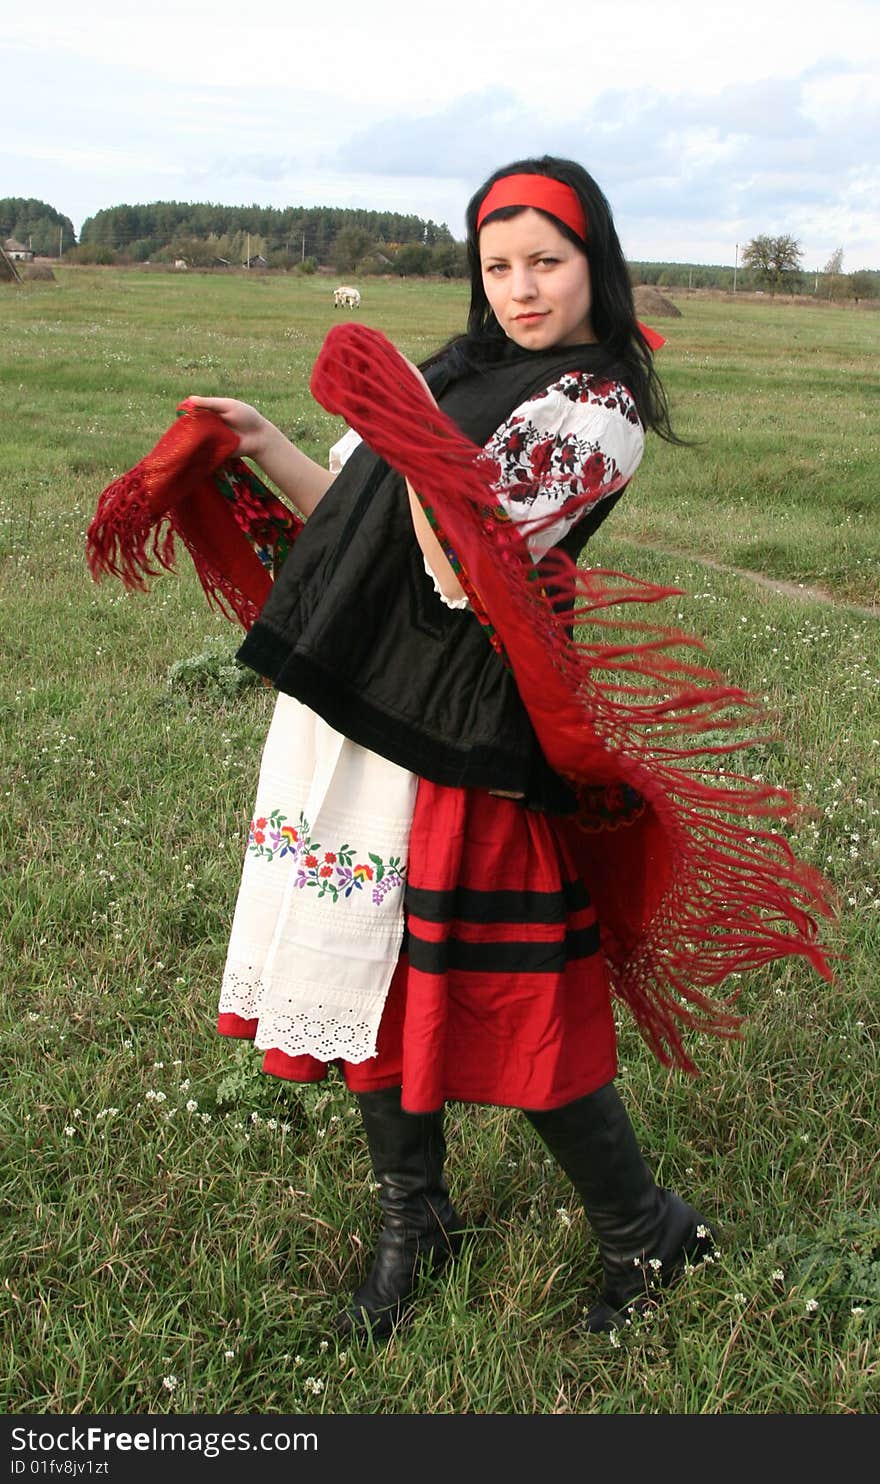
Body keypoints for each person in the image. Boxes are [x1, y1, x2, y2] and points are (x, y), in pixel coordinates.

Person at [132, 155, 831, 1342]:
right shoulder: (461, 373)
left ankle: (646, 1230)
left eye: (546, 262)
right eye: (496, 264)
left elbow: (465, 569)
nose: (520, 288)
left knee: (516, 985)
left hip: (465, 721)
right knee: (365, 976)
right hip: (356, 707)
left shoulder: (594, 410)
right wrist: (264, 441)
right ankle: (417, 1218)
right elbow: (356, 528)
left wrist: (407, 435)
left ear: (593, 266)